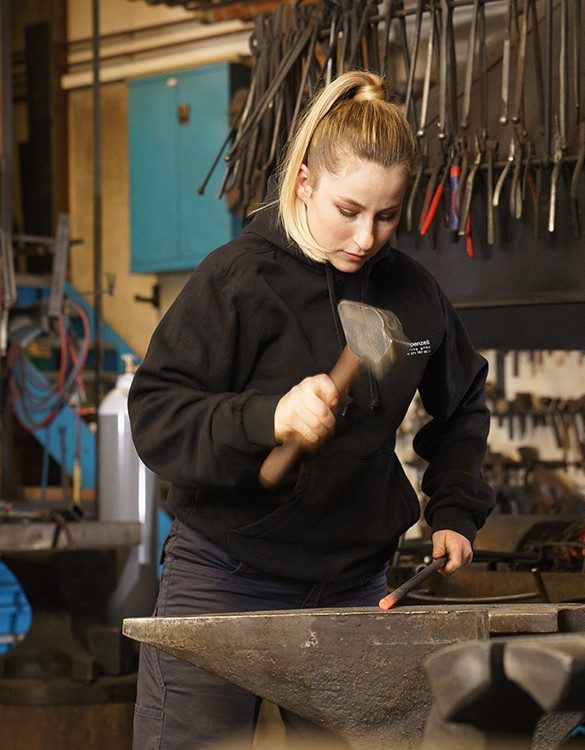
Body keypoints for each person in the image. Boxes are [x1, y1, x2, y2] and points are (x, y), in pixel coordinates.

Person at [128, 69, 495, 749]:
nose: (366, 237)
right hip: (223, 578)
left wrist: (455, 510)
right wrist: (266, 418)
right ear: (303, 182)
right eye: (348, 211)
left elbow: (464, 407)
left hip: (353, 585)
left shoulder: (413, 295)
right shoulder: (238, 280)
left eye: (387, 216)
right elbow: (156, 412)